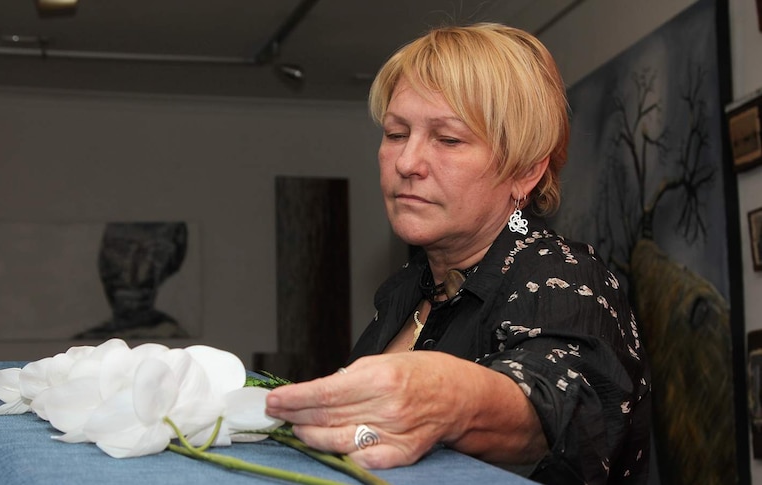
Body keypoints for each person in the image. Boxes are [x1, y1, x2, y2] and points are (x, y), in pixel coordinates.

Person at [265, 22, 651, 485]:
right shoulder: (409, 288)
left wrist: (450, 398)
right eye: (395, 133)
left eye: (448, 139)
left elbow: (555, 401)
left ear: (526, 172)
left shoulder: (564, 277)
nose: (407, 163)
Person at [74, 222, 190, 339]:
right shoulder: (87, 342)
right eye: (118, 250)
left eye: (149, 254)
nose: (128, 269)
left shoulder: (170, 339)